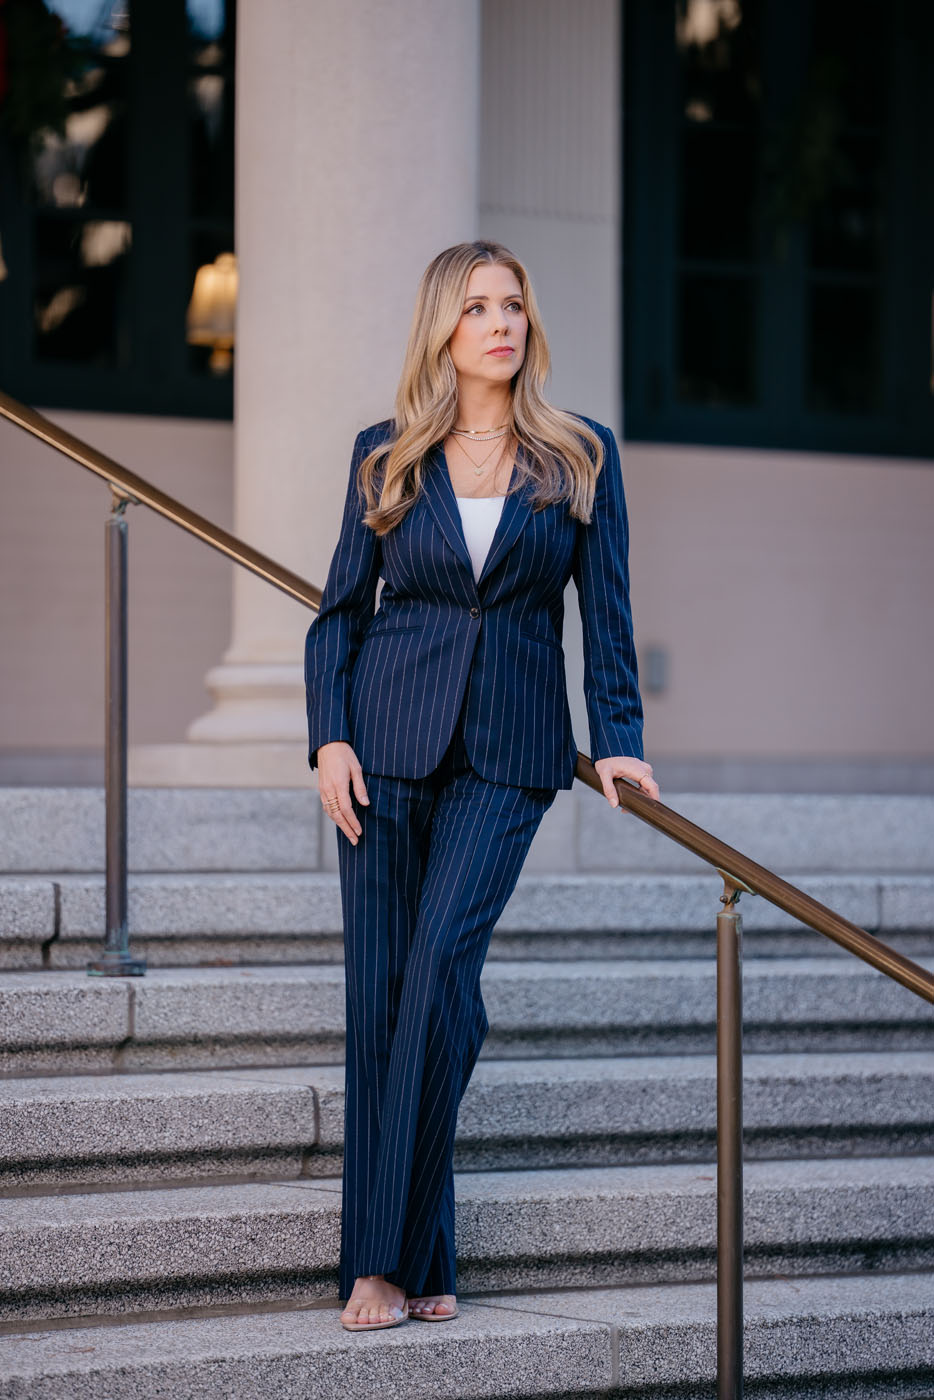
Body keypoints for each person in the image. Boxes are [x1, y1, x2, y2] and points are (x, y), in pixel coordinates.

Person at [304, 240, 658, 1332]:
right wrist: (328, 738)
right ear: (443, 330)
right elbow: (338, 613)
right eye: (476, 308)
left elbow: (606, 611)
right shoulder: (384, 456)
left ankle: (379, 1261)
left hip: (509, 754)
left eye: (512, 305)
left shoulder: (578, 454)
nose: (500, 323)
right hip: (383, 748)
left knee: (439, 969)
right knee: (386, 1000)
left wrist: (618, 736)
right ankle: (427, 1249)